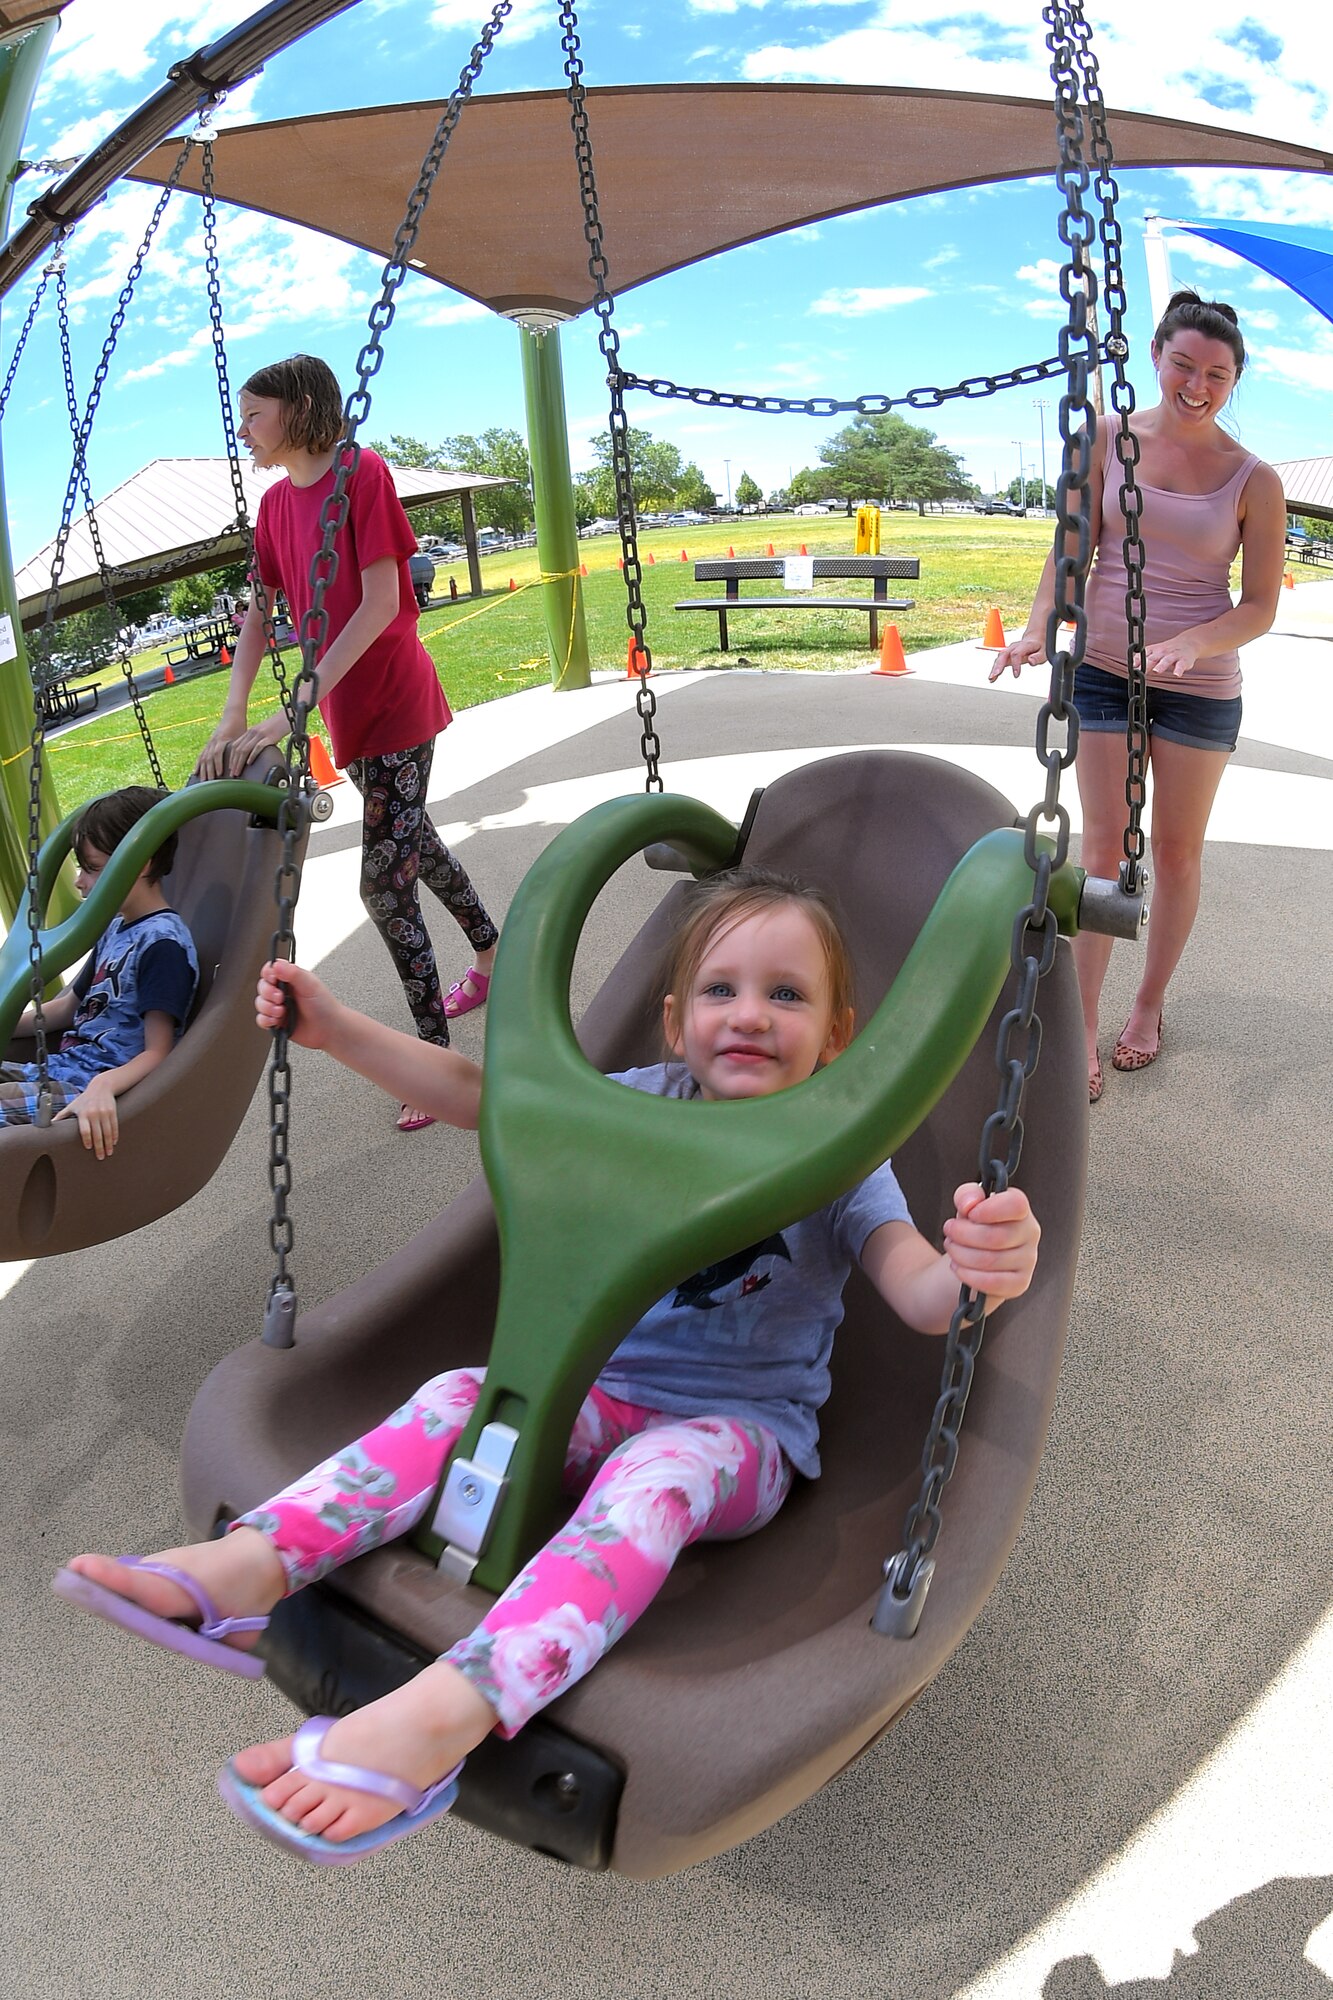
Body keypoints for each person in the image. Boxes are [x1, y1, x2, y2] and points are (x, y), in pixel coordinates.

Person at [54, 866, 1041, 1865]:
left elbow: (916, 1287)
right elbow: (488, 1099)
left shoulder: (842, 1153)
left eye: (786, 993)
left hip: (737, 1433)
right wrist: (339, 1029)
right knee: (459, 1397)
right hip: (598, 1394)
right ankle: (252, 1569)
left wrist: (977, 1271)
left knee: (651, 1481)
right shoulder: (634, 1105)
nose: (749, 1014)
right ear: (673, 1020)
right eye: (720, 989)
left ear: (836, 1037)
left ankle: (452, 1706)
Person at [989, 290, 1285, 1101]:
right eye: (1183, 364)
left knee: (1177, 853)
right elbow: (1071, 547)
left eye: (1216, 374)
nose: (1196, 384)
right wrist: (1034, 625)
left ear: (1233, 381)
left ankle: (1146, 1009)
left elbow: (1258, 604)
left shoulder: (1252, 478)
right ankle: (1081, 1024)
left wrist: (1194, 642)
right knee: (1101, 853)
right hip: (1103, 671)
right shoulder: (1108, 441)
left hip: (1199, 688)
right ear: (1155, 356)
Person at [195, 353, 499, 1132]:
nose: (244, 430)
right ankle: (493, 954)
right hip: (348, 717)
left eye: (254, 414)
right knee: (412, 843)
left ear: (296, 411)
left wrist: (298, 706)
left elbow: (381, 602)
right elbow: (260, 612)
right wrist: (234, 713)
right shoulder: (270, 507)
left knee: (384, 882)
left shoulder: (360, 474)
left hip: (393, 706)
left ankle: (433, 1058)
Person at [1, 786, 199, 1157]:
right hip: (60, 1070)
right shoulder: (114, 926)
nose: (80, 881)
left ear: (138, 862)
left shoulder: (162, 945)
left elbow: (159, 1051)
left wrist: (104, 1086)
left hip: (86, 1087)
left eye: (92, 869)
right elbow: (65, 1009)